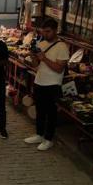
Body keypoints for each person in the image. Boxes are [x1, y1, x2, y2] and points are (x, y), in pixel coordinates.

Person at [24, 18, 69, 151]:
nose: (45, 34)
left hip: (53, 84)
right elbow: (36, 66)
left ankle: (49, 139)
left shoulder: (62, 47)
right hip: (39, 81)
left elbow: (59, 68)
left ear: (55, 31)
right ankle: (39, 134)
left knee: (51, 113)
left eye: (48, 32)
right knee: (40, 111)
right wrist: (33, 57)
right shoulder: (42, 44)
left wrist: (44, 58)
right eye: (44, 32)